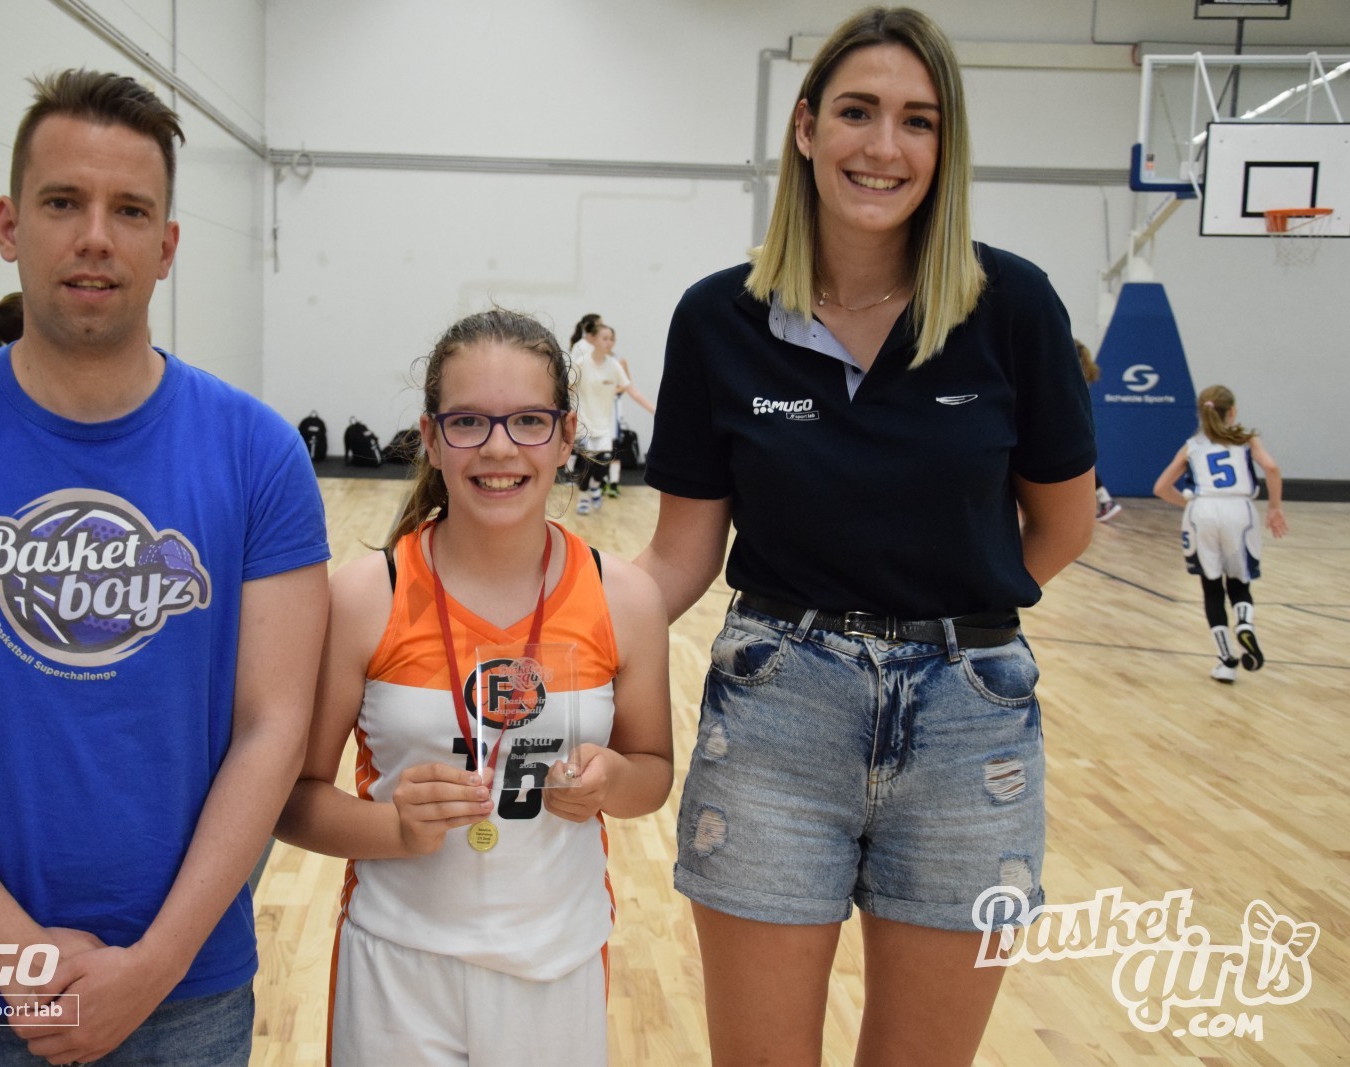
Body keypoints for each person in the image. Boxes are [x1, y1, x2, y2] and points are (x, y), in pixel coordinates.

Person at [0, 69, 330, 1066]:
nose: (95, 236)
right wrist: (14, 951)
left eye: (129, 209)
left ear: (167, 245)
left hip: (180, 990)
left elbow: (273, 726)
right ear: (9, 226)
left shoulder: (258, 453)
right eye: (62, 203)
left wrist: (156, 962)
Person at [634, 8, 1097, 1065]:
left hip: (970, 730)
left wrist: (950, 617)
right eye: (857, 112)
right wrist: (543, 617)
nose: (884, 146)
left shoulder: (1013, 305)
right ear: (805, 128)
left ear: (944, 145)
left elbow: (1064, 522)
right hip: (776, 717)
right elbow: (679, 556)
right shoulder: (718, 319)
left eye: (917, 121)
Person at [274, 308, 672, 1066]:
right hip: (397, 968)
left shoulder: (624, 598)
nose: (498, 447)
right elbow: (290, 799)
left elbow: (652, 773)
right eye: (468, 422)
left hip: (558, 964)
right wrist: (394, 829)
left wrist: (613, 779)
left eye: (528, 421)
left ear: (566, 436)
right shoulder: (366, 596)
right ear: (430, 437)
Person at [1151, 384, 1286, 684]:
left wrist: (1190, 504)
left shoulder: (1192, 445)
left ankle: (1226, 661)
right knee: (1239, 581)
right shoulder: (1247, 439)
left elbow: (1160, 487)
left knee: (1211, 587)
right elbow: (1272, 468)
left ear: (1201, 412)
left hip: (1202, 512)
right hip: (1240, 510)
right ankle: (1245, 624)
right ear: (1232, 411)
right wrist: (1275, 508)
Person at [572, 323, 654, 515]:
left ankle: (595, 487)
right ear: (593, 339)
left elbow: (632, 391)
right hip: (584, 425)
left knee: (603, 464)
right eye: (605, 338)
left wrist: (655, 411)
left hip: (604, 425)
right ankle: (583, 498)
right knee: (587, 464)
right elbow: (566, 385)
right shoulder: (581, 363)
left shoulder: (614, 365)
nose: (609, 342)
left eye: (612, 339)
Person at [1075, 339, 1121, 521]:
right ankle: (1104, 500)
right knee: (1080, 464)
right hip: (1081, 423)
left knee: (1078, 465)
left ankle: (1105, 501)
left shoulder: (1069, 374)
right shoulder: (1083, 372)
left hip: (1072, 425)